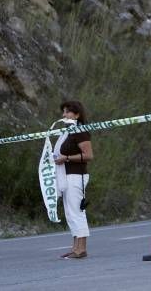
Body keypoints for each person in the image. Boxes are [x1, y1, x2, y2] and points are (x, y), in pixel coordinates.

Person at [53, 100, 93, 259]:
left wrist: (66, 158)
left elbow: (88, 155)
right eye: (63, 112)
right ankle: (75, 246)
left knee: (76, 212)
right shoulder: (67, 132)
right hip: (66, 176)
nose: (64, 115)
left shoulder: (80, 131)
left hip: (76, 176)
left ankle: (81, 248)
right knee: (70, 213)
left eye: (68, 112)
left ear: (77, 114)